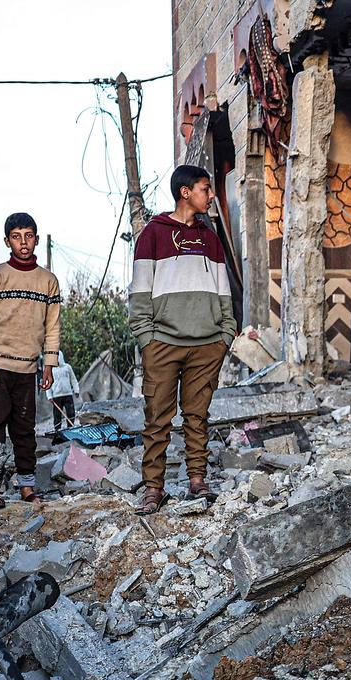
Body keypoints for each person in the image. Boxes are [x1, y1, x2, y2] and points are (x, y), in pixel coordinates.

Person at [129, 164, 236, 516]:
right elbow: (140, 292)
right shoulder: (153, 234)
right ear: (185, 192)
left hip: (207, 344)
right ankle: (153, 489)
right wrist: (147, 338)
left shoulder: (211, 238)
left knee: (197, 416)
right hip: (163, 343)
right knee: (157, 418)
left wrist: (225, 335)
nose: (211, 195)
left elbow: (224, 292)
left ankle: (197, 480)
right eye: (206, 188)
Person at [0, 212, 61, 503]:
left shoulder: (48, 281)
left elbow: (52, 326)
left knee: (25, 429)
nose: (23, 242)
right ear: (7, 241)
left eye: (28, 236)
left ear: (36, 238)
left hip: (27, 369)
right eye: (16, 236)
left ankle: (26, 486)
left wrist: (48, 365)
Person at [46, 352, 79, 430]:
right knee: (57, 415)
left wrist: (76, 390)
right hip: (56, 396)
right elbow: (48, 383)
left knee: (71, 413)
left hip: (68, 394)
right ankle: (57, 430)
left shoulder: (67, 367)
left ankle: (70, 428)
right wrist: (49, 396)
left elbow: (73, 379)